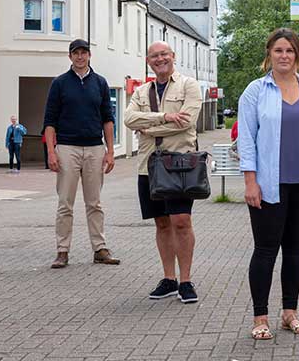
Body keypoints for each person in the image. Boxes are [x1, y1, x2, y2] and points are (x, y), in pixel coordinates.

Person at [238, 28, 299, 340]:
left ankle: (289, 313)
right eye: (278, 50)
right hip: (268, 185)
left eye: (289, 51)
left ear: (297, 55)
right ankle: (260, 317)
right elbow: (247, 141)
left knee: (295, 250)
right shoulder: (255, 91)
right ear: (270, 54)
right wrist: (250, 181)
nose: (284, 56)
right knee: (265, 250)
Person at [124, 41, 202, 303]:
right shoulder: (142, 91)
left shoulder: (188, 85)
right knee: (161, 223)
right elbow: (128, 118)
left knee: (181, 221)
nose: (160, 59)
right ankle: (169, 279)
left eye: (164, 55)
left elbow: (187, 122)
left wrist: (148, 128)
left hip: (179, 164)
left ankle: (186, 281)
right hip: (149, 165)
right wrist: (165, 118)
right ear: (149, 61)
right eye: (155, 56)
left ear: (173, 56)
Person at [43, 39, 120, 268]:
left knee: (94, 202)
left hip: (95, 148)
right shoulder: (59, 84)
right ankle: (62, 250)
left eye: (83, 53)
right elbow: (49, 121)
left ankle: (99, 248)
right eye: (75, 53)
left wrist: (110, 152)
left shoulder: (100, 83)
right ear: (70, 57)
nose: (80, 57)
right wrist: (51, 152)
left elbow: (108, 119)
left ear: (89, 56)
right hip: (67, 147)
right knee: (65, 202)